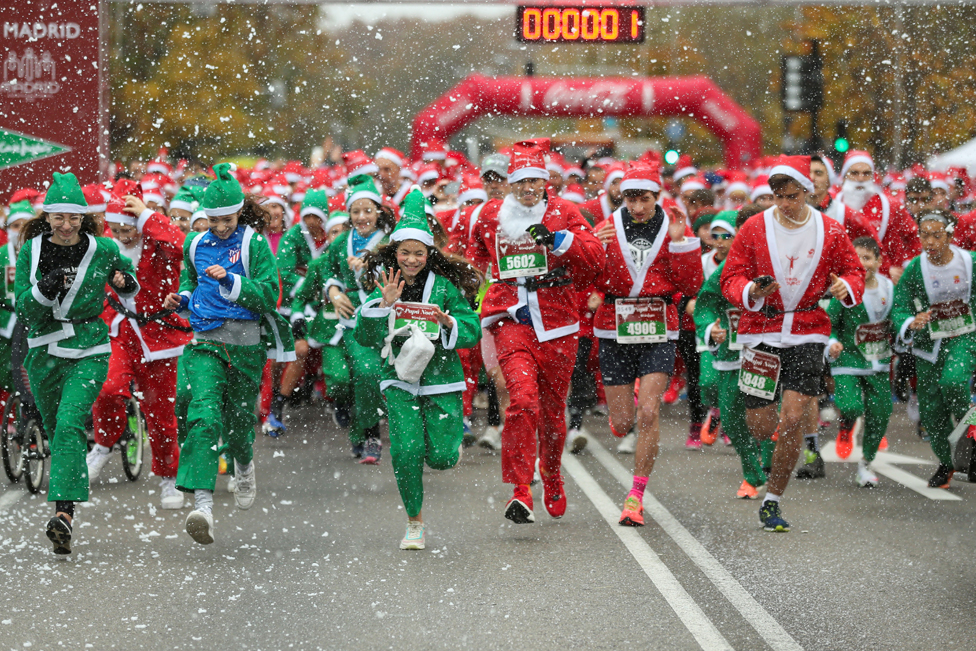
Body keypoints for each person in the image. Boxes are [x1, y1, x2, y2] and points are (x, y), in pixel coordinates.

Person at [721, 156, 865, 532]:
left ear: (809, 191)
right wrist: (751, 290)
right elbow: (731, 276)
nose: (783, 203)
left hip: (807, 328)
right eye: (777, 196)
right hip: (760, 329)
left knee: (793, 418)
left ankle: (773, 500)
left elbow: (854, 270)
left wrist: (845, 287)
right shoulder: (754, 228)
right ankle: (771, 457)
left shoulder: (830, 230)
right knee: (760, 424)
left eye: (791, 196)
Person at [467, 138, 604, 524]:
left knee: (551, 410)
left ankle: (552, 473)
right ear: (509, 184)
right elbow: (476, 251)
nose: (528, 189)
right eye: (520, 182)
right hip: (512, 319)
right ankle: (521, 488)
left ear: (546, 183)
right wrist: (487, 275)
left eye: (535, 182)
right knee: (522, 399)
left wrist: (560, 241)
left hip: (558, 321)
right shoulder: (491, 214)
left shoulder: (564, 211)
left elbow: (595, 257)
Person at [164, 163, 294, 545]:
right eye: (214, 220)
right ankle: (202, 505)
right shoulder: (195, 243)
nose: (220, 227)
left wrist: (233, 281)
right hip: (204, 340)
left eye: (227, 219)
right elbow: (191, 280)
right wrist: (182, 297)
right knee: (203, 415)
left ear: (240, 212)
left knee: (239, 423)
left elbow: (271, 294)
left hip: (246, 345)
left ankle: (243, 462)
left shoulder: (253, 243)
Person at [15, 172, 139, 555]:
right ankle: (64, 514)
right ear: (48, 216)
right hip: (44, 351)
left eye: (74, 218)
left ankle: (63, 515)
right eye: (59, 217)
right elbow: (24, 307)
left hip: (89, 347)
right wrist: (43, 289)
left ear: (84, 218)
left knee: (69, 424)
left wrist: (123, 282)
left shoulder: (101, 248)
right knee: (56, 429)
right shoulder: (30, 251)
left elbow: (128, 280)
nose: (67, 226)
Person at [355, 188, 482, 549]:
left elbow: (470, 327)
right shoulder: (384, 284)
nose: (411, 260)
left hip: (442, 380)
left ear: (429, 254)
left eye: (418, 253)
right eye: (405, 252)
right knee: (407, 451)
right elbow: (366, 337)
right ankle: (414, 522)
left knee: (441, 459)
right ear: (394, 252)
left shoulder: (443, 287)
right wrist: (382, 305)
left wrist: (447, 323)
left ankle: (447, 447)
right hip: (399, 379)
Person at [592, 165, 703, 525]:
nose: (637, 207)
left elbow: (690, 283)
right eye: (630, 198)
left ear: (657, 196)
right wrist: (594, 245)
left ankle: (635, 496)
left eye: (644, 199)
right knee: (624, 422)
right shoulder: (607, 225)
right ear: (620, 197)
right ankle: (620, 419)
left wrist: (680, 241)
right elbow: (585, 274)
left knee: (649, 412)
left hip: (659, 326)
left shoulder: (673, 224)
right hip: (615, 327)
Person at [88, 188, 191, 510]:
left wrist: (147, 216)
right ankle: (103, 444)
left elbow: (181, 246)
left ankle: (167, 476)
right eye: (116, 229)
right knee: (107, 389)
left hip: (159, 334)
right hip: (117, 329)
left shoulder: (156, 241)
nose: (121, 236)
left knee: (161, 414)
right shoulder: (107, 244)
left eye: (127, 229)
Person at [892, 209, 976, 489]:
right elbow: (900, 304)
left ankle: (971, 433)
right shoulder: (916, 268)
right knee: (932, 412)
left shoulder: (970, 262)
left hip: (964, 336)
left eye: (936, 235)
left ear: (950, 236)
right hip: (928, 347)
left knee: (953, 382)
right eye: (924, 235)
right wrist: (910, 321)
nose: (929, 242)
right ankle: (947, 463)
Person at [694, 210, 774, 498]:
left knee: (766, 414)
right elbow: (707, 302)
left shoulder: (778, 261)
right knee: (732, 418)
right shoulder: (728, 267)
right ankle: (753, 470)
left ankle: (766, 469)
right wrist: (710, 328)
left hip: (767, 352)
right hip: (732, 352)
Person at [323, 175, 395, 462]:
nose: (362, 216)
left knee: (373, 378)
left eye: (368, 210)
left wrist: (372, 267)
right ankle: (368, 433)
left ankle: (367, 431)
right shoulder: (342, 242)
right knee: (364, 374)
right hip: (353, 318)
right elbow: (328, 271)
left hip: (386, 316)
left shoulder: (390, 241)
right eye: (356, 211)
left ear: (378, 211)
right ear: (349, 214)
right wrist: (333, 292)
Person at [826, 236, 893, 486]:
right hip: (848, 359)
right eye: (856, 258)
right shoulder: (844, 289)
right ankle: (846, 423)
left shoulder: (889, 287)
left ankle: (865, 464)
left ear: (878, 260)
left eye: (867, 258)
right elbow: (829, 322)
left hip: (879, 360)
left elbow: (896, 318)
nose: (862, 264)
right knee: (851, 405)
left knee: (881, 413)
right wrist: (831, 342)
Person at [266, 189, 332, 435]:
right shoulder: (293, 236)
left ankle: (293, 396)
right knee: (287, 353)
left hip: (321, 308)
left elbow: (333, 270)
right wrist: (312, 285)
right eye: (307, 217)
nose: (312, 222)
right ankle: (277, 400)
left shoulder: (331, 238)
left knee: (306, 352)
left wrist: (314, 280)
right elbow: (283, 270)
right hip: (291, 306)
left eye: (316, 217)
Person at [290, 212, 353, 428]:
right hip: (330, 331)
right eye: (334, 232)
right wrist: (297, 315)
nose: (340, 236)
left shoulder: (361, 261)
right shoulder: (320, 265)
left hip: (360, 331)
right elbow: (302, 296)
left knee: (364, 378)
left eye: (345, 230)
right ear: (327, 237)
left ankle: (365, 431)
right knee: (338, 379)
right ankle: (342, 403)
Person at [836, 151, 919, 283]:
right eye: (855, 173)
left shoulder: (892, 206)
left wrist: (904, 267)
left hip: (885, 284)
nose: (861, 179)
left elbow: (914, 238)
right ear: (845, 175)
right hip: (843, 282)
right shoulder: (834, 205)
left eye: (866, 173)